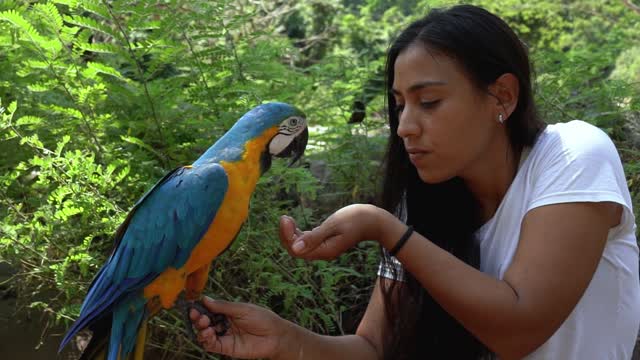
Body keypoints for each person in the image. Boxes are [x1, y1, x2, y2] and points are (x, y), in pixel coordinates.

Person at [190, 4, 640, 359]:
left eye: (428, 102)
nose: (405, 125)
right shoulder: (425, 206)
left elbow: (519, 328)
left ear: (502, 95)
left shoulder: (574, 155)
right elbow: (373, 348)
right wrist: (287, 341)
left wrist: (385, 228)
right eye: (400, 104)